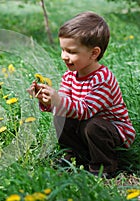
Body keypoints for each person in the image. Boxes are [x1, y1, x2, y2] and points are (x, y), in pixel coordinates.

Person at [27, 11, 136, 177]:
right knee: (61, 117)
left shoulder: (103, 78)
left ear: (94, 53)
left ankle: (104, 166)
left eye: (71, 51)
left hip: (112, 129)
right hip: (85, 125)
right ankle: (74, 156)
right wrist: (48, 101)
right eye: (63, 50)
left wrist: (58, 100)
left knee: (93, 126)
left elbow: (85, 110)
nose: (64, 56)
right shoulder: (69, 76)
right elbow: (65, 104)